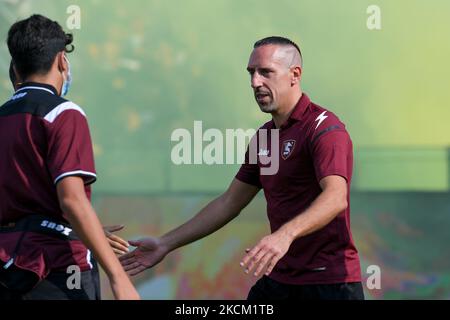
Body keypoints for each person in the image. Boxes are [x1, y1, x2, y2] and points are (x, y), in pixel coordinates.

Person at [120, 36, 364, 300]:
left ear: (295, 75)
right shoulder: (264, 137)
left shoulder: (324, 128)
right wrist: (165, 244)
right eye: (251, 73)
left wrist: (285, 235)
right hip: (280, 281)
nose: (255, 82)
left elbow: (335, 198)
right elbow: (229, 203)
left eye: (266, 72)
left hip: (329, 283)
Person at [0, 14, 139, 300]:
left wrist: (89, 232)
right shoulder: (63, 113)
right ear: (63, 60)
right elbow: (72, 199)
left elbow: (29, 208)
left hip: (7, 266)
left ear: (14, 68)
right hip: (57, 267)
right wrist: (118, 277)